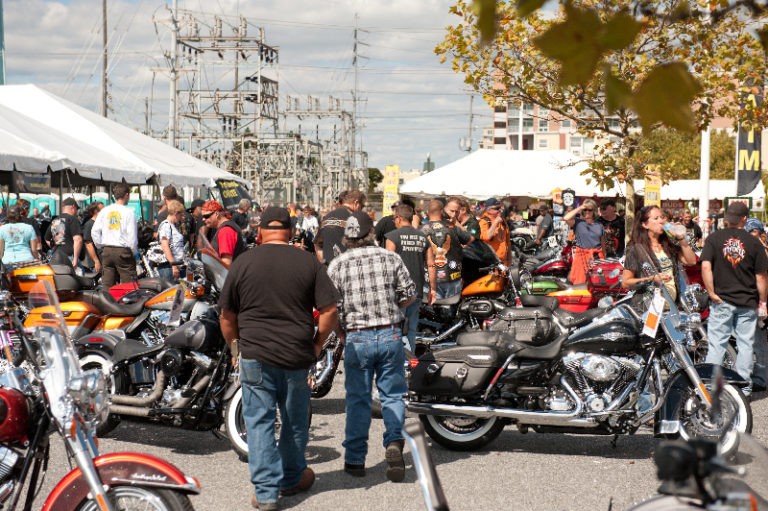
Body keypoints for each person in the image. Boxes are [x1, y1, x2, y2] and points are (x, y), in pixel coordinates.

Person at [219, 206, 339, 511]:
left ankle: (266, 493)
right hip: (297, 355)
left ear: (259, 231)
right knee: (294, 421)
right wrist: (316, 345)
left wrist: (235, 348)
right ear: (292, 231)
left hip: (255, 354)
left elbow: (226, 316)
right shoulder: (307, 262)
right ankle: (291, 477)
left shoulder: (243, 262)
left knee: (258, 423)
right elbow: (330, 311)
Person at [327, 210, 416, 483]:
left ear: (348, 238)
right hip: (390, 334)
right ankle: (393, 442)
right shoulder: (391, 258)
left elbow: (333, 308)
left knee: (358, 399)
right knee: (392, 395)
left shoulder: (337, 265)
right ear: (371, 234)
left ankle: (355, 459)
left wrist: (342, 331)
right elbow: (409, 294)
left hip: (357, 337)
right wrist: (392, 310)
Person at [701, 202, 768, 396]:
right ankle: (742, 387)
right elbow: (761, 276)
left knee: (717, 344)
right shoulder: (754, 242)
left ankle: (712, 386)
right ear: (744, 220)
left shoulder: (714, 238)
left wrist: (711, 292)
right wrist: (762, 301)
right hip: (747, 301)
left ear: (727, 218)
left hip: (721, 300)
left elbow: (706, 267)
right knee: (745, 344)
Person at [385, 203, 437, 350]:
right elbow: (431, 265)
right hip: (417, 290)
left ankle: (395, 362)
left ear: (399, 218)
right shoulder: (423, 237)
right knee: (411, 330)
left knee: (395, 329)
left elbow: (388, 265)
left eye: (394, 218)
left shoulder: (392, 237)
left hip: (397, 292)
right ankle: (410, 363)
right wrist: (433, 289)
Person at [622, 205, 697, 304]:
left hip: (671, 309)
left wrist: (681, 238)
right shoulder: (635, 248)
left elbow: (691, 261)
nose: (661, 221)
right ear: (645, 224)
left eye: (662, 217)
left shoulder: (668, 244)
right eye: (656, 218)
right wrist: (652, 279)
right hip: (647, 308)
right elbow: (626, 282)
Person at [421, 198, 470, 300]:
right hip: (452, 276)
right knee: (452, 312)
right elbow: (468, 239)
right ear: (442, 211)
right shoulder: (452, 227)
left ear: (427, 212)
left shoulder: (420, 230)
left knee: (431, 312)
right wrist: (455, 222)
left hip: (429, 278)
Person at [91, 183, 139, 288]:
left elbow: (94, 231)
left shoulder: (104, 211)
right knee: (130, 285)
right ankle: (129, 304)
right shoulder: (129, 212)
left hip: (107, 250)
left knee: (107, 285)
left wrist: (100, 246)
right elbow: (132, 237)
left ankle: (107, 303)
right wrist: (133, 253)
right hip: (123, 250)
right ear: (126, 195)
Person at [746, 217, 768, 393]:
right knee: (757, 339)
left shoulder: (763, 249)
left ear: (760, 233)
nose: (749, 234)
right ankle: (760, 377)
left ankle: (761, 377)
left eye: (752, 231)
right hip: (754, 299)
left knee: (759, 341)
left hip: (762, 300)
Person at [314, 189, 366, 265]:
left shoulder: (327, 217)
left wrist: (325, 264)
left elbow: (317, 245)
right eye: (362, 206)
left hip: (329, 270)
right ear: (356, 203)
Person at [563, 199, 605, 285]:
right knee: (580, 282)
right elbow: (566, 218)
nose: (587, 212)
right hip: (581, 257)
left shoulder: (599, 225)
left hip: (596, 257)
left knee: (595, 282)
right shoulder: (578, 223)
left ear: (594, 211)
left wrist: (603, 259)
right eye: (585, 210)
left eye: (589, 210)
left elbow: (602, 243)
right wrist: (581, 207)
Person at [201, 199, 247, 266]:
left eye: (206, 216)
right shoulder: (227, 226)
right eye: (203, 217)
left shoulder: (225, 231)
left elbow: (226, 263)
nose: (203, 219)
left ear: (216, 214)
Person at [45, 197, 83, 268]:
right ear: (73, 207)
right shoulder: (73, 219)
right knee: (78, 277)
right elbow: (78, 240)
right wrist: (75, 259)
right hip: (69, 257)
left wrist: (55, 247)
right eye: (76, 209)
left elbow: (47, 239)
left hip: (56, 257)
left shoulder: (55, 220)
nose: (76, 212)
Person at [156, 200, 186, 281]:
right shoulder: (166, 226)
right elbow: (165, 246)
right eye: (181, 215)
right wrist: (173, 265)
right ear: (176, 213)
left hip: (174, 265)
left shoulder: (172, 226)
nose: (182, 217)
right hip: (168, 267)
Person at [479, 197, 512, 265]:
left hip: (503, 262)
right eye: (496, 209)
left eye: (500, 208)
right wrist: (495, 222)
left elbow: (508, 242)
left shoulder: (503, 222)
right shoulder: (484, 222)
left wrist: (510, 260)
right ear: (489, 210)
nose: (500, 210)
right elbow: (487, 236)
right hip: (490, 263)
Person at [82, 201, 104, 273]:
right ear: (96, 211)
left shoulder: (102, 223)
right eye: (102, 210)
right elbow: (88, 245)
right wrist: (96, 261)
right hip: (96, 264)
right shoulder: (89, 225)